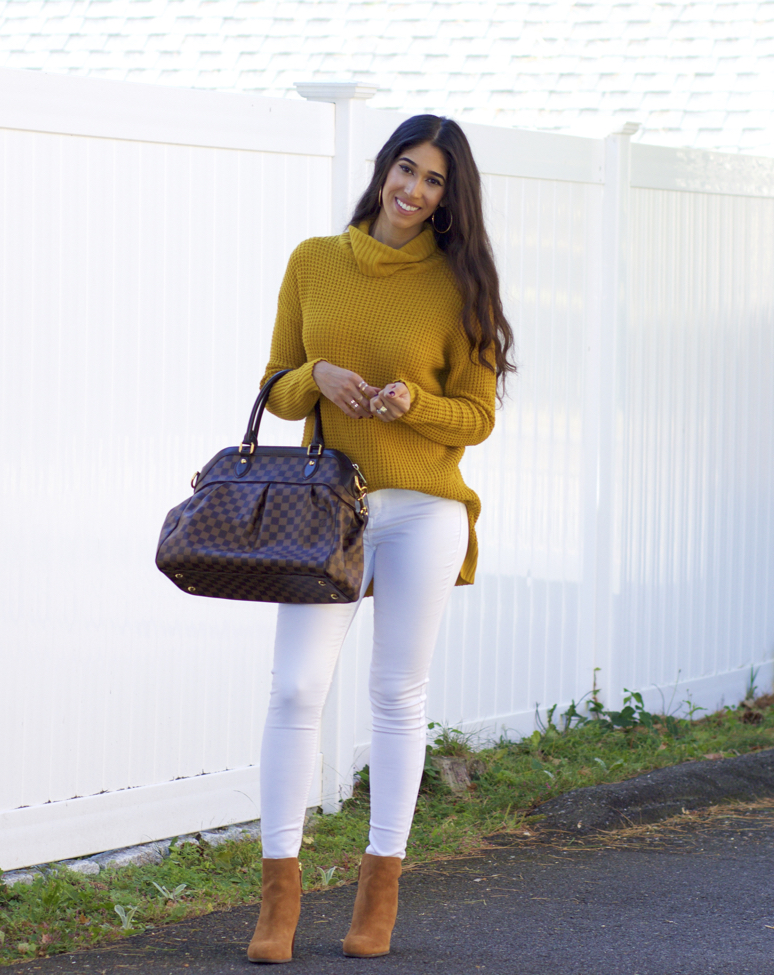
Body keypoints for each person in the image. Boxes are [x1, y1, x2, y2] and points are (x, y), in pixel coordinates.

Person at [246, 114, 515, 964]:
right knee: (295, 690)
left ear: (448, 198)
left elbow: (474, 416)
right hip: (329, 506)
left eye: (434, 181)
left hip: (422, 509)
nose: (414, 190)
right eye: (407, 169)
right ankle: (278, 898)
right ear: (383, 169)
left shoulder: (459, 284)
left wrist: (413, 403)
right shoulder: (313, 261)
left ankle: (378, 890)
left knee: (396, 695)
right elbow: (274, 389)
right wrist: (314, 376)